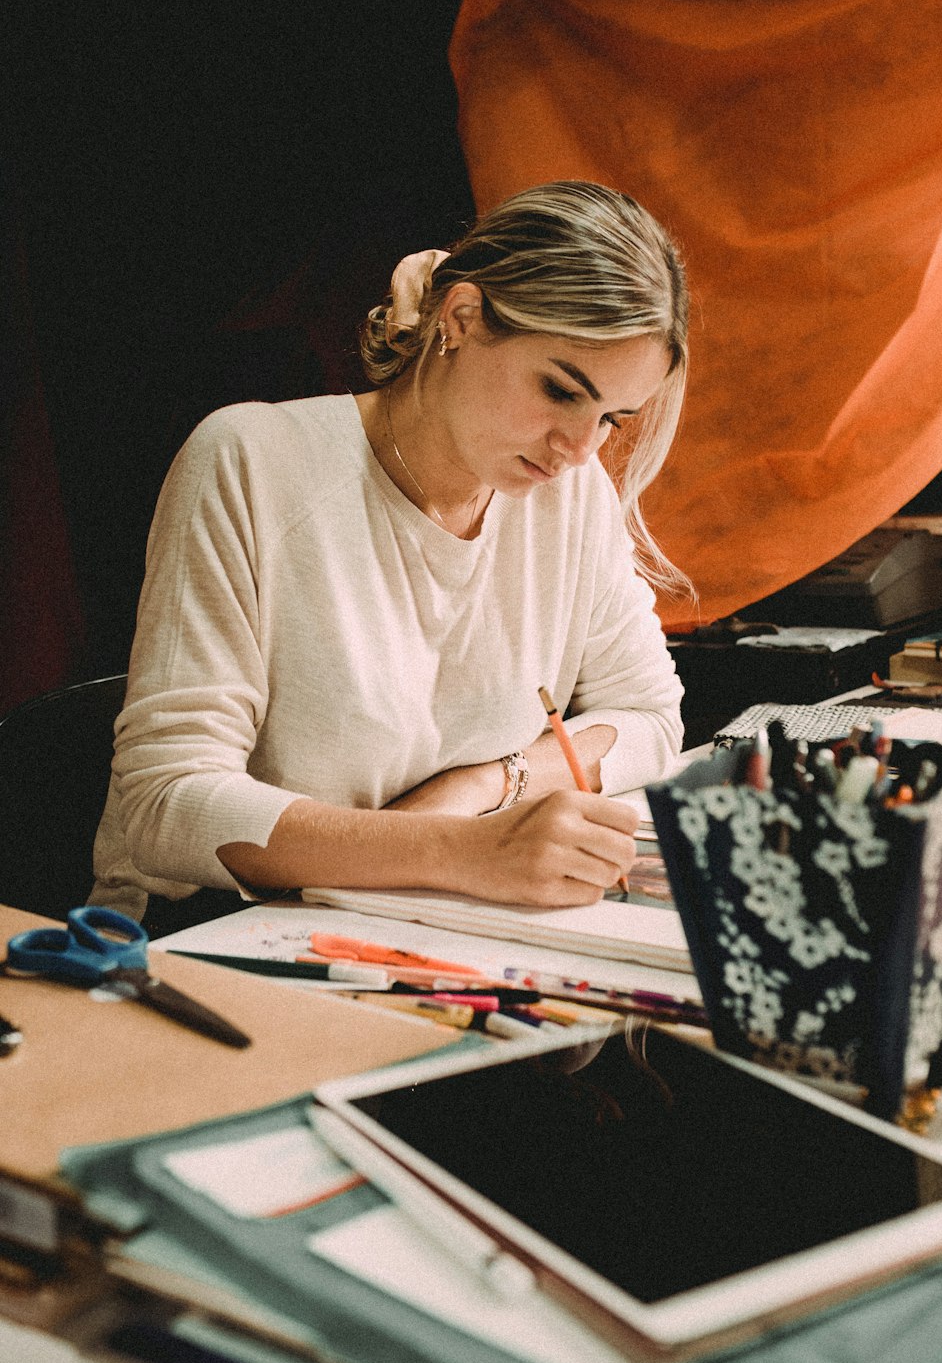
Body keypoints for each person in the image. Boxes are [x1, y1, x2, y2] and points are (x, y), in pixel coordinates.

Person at [90, 180, 691, 927]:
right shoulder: (251, 462)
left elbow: (650, 719)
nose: (577, 449)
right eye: (560, 390)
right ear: (463, 317)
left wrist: (482, 789)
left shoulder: (570, 498)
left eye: (612, 419)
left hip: (410, 921)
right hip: (211, 939)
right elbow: (166, 805)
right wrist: (460, 850)